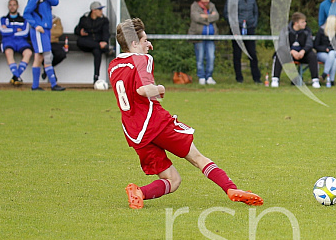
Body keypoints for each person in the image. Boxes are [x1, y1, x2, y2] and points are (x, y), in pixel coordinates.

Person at [109, 17, 263, 209]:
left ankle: (139, 192)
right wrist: (160, 88)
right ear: (134, 43)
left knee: (173, 180)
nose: (149, 45)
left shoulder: (114, 65)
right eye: (144, 40)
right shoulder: (143, 59)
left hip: (134, 132)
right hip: (156, 123)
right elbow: (143, 90)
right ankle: (231, 189)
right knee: (198, 158)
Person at [25, 0, 64, 91]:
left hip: (46, 30)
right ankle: (53, 84)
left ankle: (35, 86)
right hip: (39, 31)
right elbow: (26, 13)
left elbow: (56, 2)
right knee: (46, 56)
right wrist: (36, 25)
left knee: (40, 56)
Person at [224, 0, 261, 84]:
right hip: (237, 30)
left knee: (252, 54)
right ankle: (239, 78)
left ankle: (256, 78)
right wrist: (235, 25)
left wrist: (253, 24)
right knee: (237, 54)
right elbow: (227, 13)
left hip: (249, 29)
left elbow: (255, 12)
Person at [270, 12, 321, 88]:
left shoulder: (307, 31)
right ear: (296, 23)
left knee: (312, 55)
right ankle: (275, 79)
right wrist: (292, 51)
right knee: (279, 55)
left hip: (302, 54)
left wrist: (303, 51)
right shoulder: (285, 30)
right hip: (289, 54)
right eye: (303, 22)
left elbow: (309, 44)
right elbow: (282, 45)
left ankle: (315, 80)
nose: (305, 24)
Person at [75, 1, 112, 84]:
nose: (101, 11)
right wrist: (79, 32)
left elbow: (106, 33)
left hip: (98, 44)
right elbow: (77, 30)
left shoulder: (104, 20)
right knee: (80, 41)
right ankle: (100, 46)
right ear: (93, 10)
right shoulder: (84, 19)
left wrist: (104, 42)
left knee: (97, 51)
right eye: (99, 9)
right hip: (87, 44)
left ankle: (96, 77)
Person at [188, 0, 219, 85]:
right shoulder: (194, 6)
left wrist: (205, 17)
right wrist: (210, 17)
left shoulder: (212, 5)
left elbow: (216, 16)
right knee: (200, 58)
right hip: (199, 37)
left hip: (210, 37)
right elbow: (196, 17)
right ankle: (201, 77)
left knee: (211, 57)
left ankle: (209, 77)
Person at [0, 0, 32, 85]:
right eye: (10, 5)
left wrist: (9, 30)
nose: (12, 7)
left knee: (28, 53)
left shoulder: (24, 19)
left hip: (21, 41)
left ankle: (16, 77)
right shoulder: (3, 19)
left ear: (17, 6)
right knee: (8, 52)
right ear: (8, 6)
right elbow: (3, 31)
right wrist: (16, 30)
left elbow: (25, 33)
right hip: (8, 41)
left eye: (14, 5)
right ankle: (17, 77)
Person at [314, 15, 336, 87]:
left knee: (332, 53)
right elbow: (316, 45)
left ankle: (324, 74)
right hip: (323, 53)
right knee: (333, 60)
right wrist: (325, 49)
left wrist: (331, 49)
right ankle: (331, 81)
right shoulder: (321, 31)